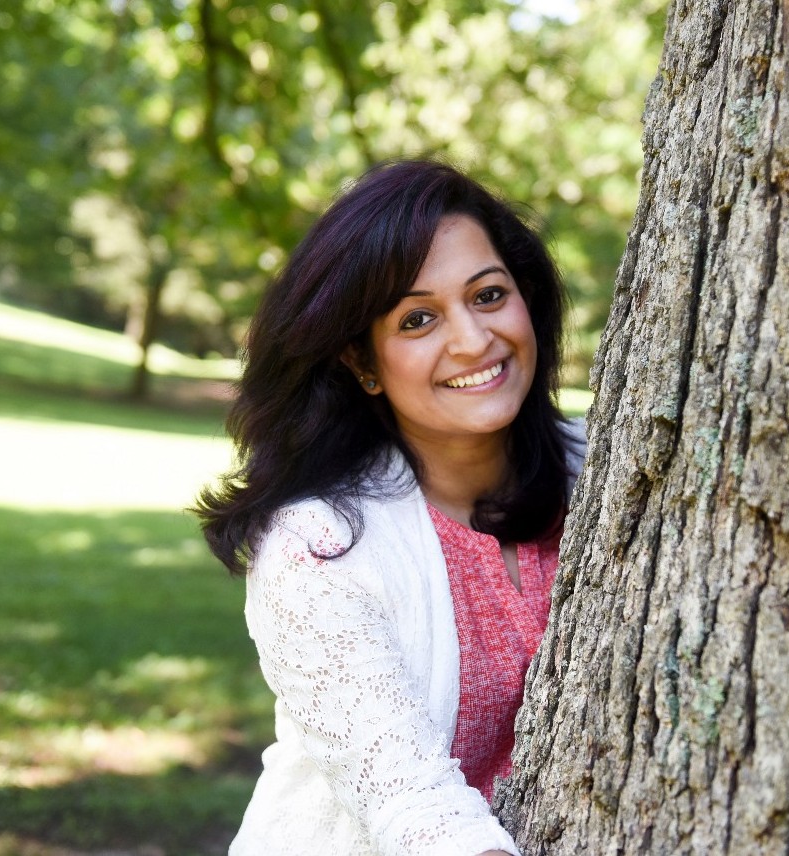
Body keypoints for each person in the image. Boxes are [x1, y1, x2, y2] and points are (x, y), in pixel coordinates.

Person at [196, 159, 585, 856]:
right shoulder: (318, 547)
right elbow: (416, 804)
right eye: (418, 318)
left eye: (489, 295)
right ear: (361, 363)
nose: (472, 339)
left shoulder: (610, 474)